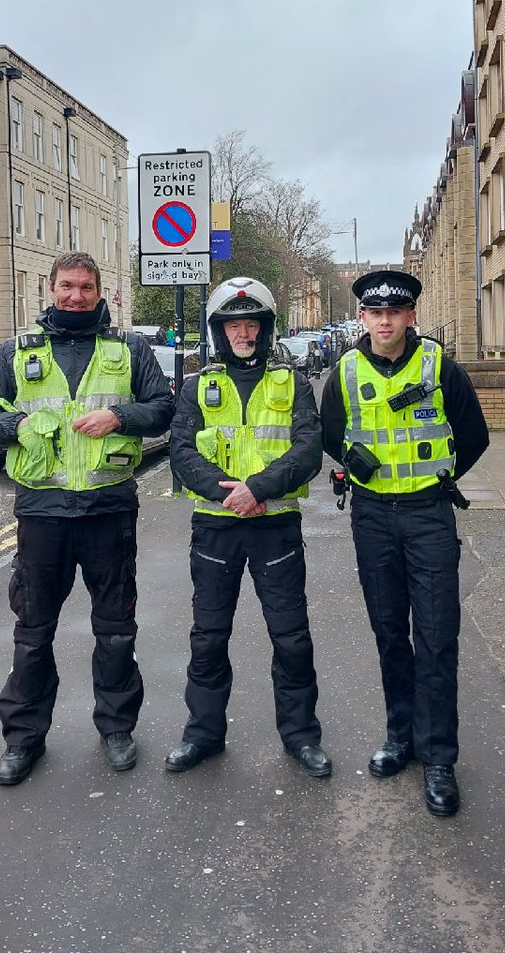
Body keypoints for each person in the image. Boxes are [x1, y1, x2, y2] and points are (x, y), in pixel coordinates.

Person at [0, 252, 174, 786]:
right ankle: (23, 739)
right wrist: (18, 426)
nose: (75, 296)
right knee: (33, 631)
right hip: (43, 512)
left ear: (99, 291)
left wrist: (120, 415)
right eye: (66, 286)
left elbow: (163, 409)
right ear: (51, 288)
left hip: (109, 508)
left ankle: (116, 728)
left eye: (85, 286)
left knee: (115, 628)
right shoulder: (17, 351)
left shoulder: (129, 348)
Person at [320, 269, 489, 817]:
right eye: (375, 312)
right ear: (363, 318)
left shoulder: (440, 367)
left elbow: (474, 436)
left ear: (411, 315)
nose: (385, 320)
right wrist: (353, 464)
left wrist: (438, 476)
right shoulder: (343, 371)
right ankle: (401, 738)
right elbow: (331, 435)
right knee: (390, 632)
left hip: (428, 516)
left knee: (437, 637)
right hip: (372, 518)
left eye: (395, 311)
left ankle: (439, 758)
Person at [166, 276, 331, 778]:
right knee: (209, 637)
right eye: (234, 324)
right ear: (219, 331)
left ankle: (301, 736)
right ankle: (203, 734)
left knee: (291, 637)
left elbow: (308, 449)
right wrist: (228, 493)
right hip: (216, 527)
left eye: (252, 323)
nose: (244, 333)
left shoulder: (293, 382)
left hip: (275, 526)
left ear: (266, 328)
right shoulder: (197, 386)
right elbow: (181, 451)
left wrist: (258, 488)